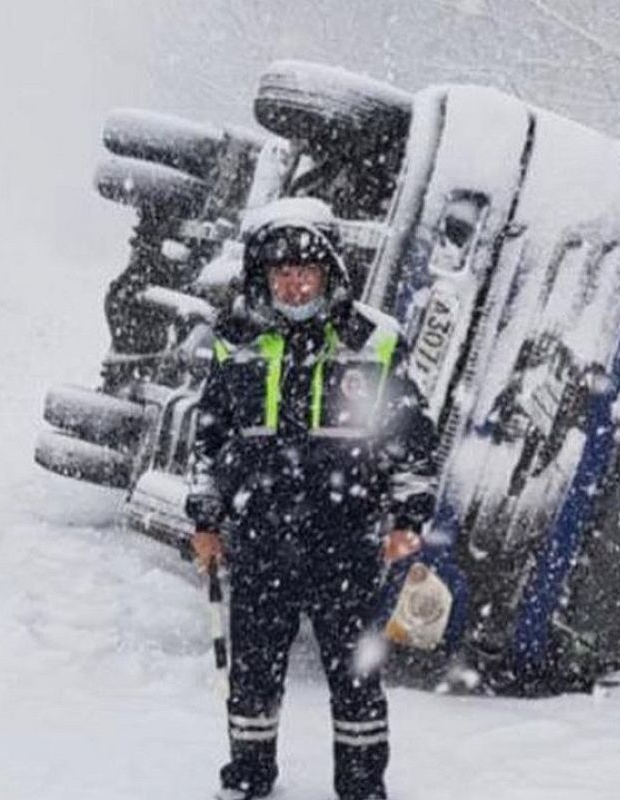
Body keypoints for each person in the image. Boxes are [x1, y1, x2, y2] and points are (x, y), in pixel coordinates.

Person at [184, 198, 438, 800]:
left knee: (355, 677)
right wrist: (205, 518)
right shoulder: (235, 342)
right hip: (260, 539)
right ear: (262, 277)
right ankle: (247, 778)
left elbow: (413, 441)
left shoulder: (374, 341)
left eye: (306, 271)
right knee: (252, 676)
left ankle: (361, 786)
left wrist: (408, 517)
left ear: (330, 274)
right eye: (281, 273)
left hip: (345, 542)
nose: (294, 284)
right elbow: (210, 441)